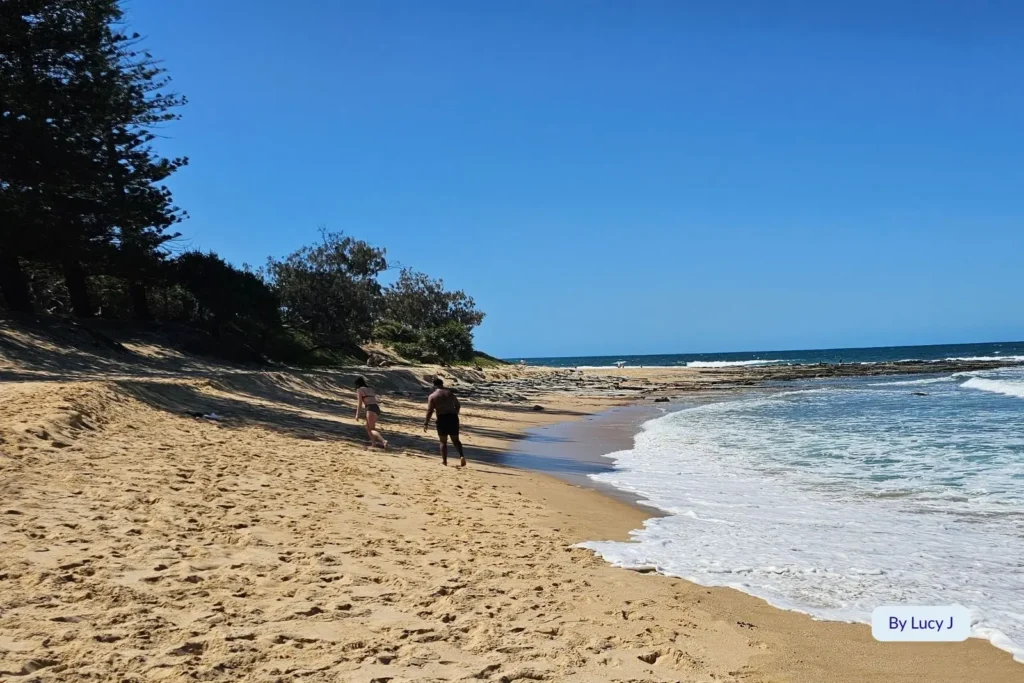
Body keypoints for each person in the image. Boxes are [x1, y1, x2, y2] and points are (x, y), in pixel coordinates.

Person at [423, 378, 465, 467]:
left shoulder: (432, 396)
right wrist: (455, 414)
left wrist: (426, 423)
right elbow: (457, 405)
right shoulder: (450, 393)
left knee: (443, 442)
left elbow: (430, 410)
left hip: (442, 419)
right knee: (456, 440)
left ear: (434, 385)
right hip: (453, 418)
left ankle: (444, 461)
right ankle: (461, 456)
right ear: (442, 384)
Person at [354, 377, 388, 449]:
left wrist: (357, 414)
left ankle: (383, 441)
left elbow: (359, 403)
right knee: (368, 427)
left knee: (371, 429)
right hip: (376, 408)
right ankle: (373, 444)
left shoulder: (360, 390)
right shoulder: (370, 389)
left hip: (370, 408)